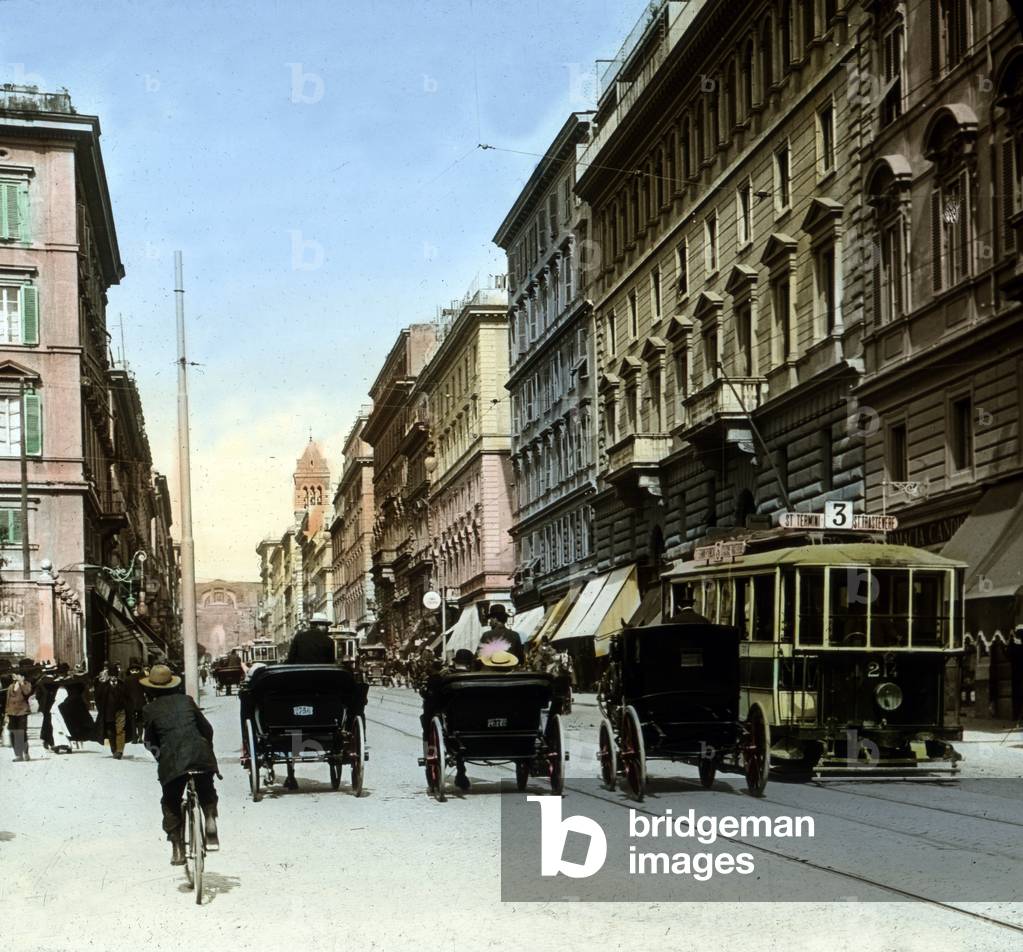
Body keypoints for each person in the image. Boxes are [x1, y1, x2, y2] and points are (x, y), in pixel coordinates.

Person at [141, 664, 220, 866]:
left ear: (151, 689)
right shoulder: (187, 701)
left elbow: (149, 741)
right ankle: (209, 817)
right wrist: (206, 749)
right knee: (206, 788)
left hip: (172, 762)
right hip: (200, 755)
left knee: (170, 801)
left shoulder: (149, 709)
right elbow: (207, 729)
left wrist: (161, 757)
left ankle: (177, 850)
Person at [95, 663, 128, 759]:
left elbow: (128, 698)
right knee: (110, 731)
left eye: (115, 676)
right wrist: (100, 709)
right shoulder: (103, 686)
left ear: (117, 676)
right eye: (112, 676)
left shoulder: (123, 685)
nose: (113, 678)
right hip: (108, 711)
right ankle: (114, 750)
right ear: (109, 676)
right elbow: (97, 698)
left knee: (120, 730)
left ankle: (119, 751)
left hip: (120, 711)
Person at [4, 665, 33, 761]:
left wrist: (21, 683)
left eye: (16, 674)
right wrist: (6, 713)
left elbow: (27, 693)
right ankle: (18, 755)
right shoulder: (11, 686)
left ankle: (26, 753)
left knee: (22, 732)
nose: (13, 676)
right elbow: (8, 700)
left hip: (22, 712)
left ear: (22, 676)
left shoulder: (27, 684)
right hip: (12, 712)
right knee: (13, 733)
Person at [123, 661, 147, 744]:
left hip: (131, 703)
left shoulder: (127, 679)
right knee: (140, 720)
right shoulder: (142, 679)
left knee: (132, 721)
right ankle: (140, 737)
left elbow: (124, 693)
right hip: (141, 702)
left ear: (130, 671)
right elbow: (146, 690)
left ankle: (134, 738)